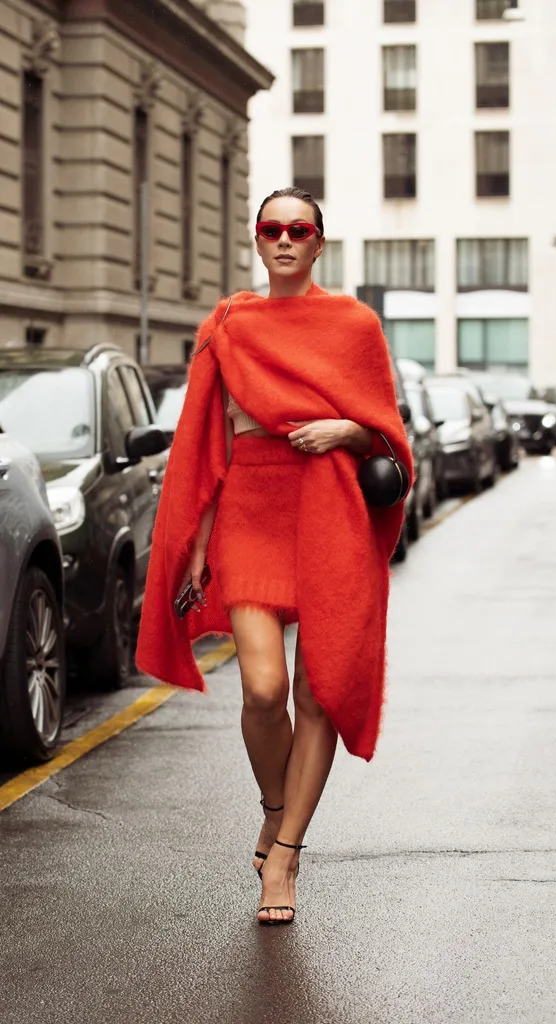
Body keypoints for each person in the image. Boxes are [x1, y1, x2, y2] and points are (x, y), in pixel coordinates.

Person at [136, 187, 413, 925]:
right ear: (258, 242)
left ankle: (284, 855)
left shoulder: (354, 324)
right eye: (272, 229)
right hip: (250, 513)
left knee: (317, 691)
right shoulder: (228, 323)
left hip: (328, 511)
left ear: (319, 243)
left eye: (300, 229)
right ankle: (273, 806)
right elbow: (206, 444)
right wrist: (195, 545)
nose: (285, 239)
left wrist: (344, 434)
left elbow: (386, 435)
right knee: (263, 687)